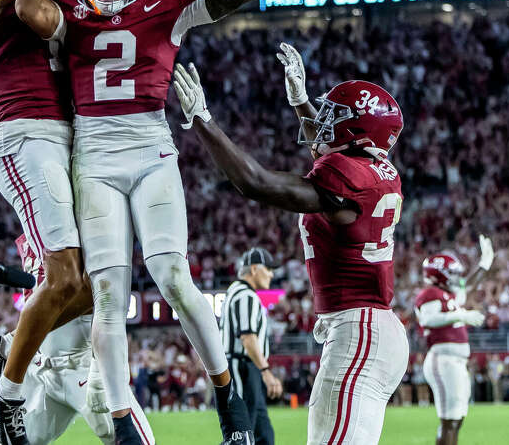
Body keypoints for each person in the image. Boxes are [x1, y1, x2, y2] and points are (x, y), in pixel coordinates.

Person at [13, 0, 348, 443]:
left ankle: (226, 396)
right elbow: (27, 6)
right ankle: (122, 423)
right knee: (108, 294)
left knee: (173, 276)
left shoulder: (164, 0)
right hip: (94, 158)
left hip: (150, 150)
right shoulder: (68, 10)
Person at [0, 0, 135, 443]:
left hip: (73, 144)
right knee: (61, 277)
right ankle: (6, 395)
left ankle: (6, 348)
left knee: (97, 287)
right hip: (26, 134)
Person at [170, 42, 408, 444]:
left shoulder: (349, 176)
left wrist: (204, 121)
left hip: (359, 331)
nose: (324, 123)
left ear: (358, 130)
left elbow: (257, 183)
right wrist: (300, 101)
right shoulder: (376, 170)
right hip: (370, 329)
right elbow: (330, 146)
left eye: (336, 116)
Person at [0, 235, 155, 445]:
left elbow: (98, 288)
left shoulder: (70, 223)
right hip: (40, 365)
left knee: (134, 441)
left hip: (81, 365)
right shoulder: (34, 222)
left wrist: (13, 340)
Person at [414, 237, 494, 445]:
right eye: (452, 273)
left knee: (457, 419)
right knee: (449, 420)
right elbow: (428, 319)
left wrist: (484, 264)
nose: (456, 277)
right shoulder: (430, 293)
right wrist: (460, 315)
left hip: (455, 360)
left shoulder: (445, 295)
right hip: (443, 359)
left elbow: (466, 285)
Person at [221, 248, 282, 445]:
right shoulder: (245, 295)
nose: (272, 274)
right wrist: (266, 371)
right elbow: (248, 338)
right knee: (242, 436)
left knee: (264, 435)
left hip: (244, 367)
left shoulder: (234, 291)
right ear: (255, 269)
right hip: (243, 368)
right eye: (269, 268)